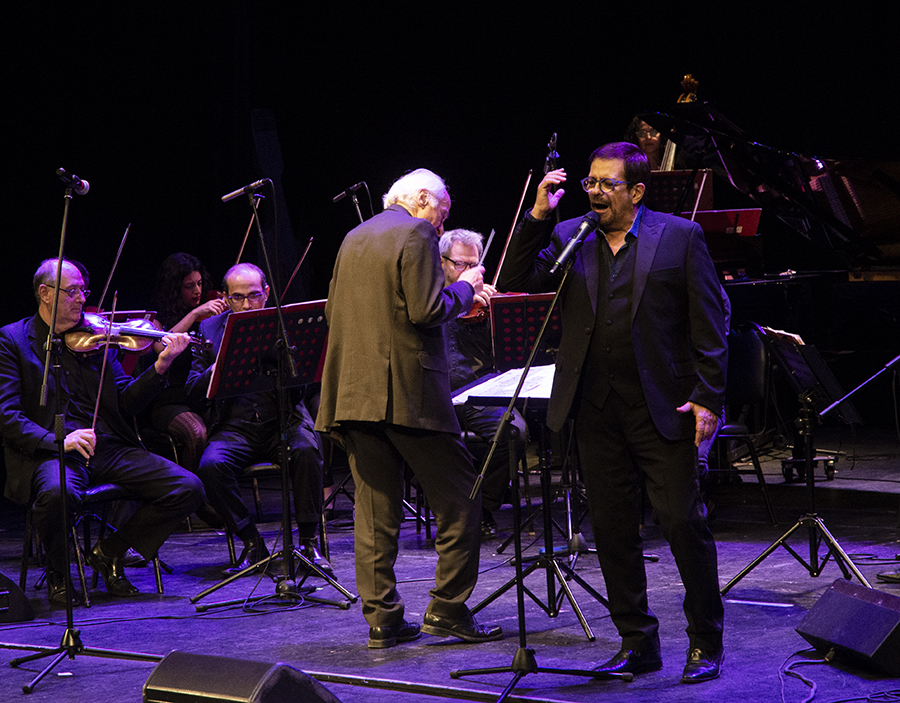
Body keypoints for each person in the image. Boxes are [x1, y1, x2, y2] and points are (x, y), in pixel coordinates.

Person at [498, 142, 728, 684]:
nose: (595, 192)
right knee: (613, 527)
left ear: (636, 190)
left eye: (607, 183)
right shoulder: (569, 235)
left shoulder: (679, 236)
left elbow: (711, 323)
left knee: (680, 522)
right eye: (590, 183)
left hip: (662, 406)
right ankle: (637, 642)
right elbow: (515, 277)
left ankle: (706, 643)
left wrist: (708, 398)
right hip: (595, 408)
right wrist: (537, 214)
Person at [316, 168, 502, 649]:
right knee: (462, 497)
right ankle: (446, 609)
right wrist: (467, 289)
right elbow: (425, 310)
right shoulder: (416, 230)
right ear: (421, 199)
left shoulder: (353, 237)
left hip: (352, 393)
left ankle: (382, 620)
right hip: (406, 392)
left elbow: (335, 312)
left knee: (374, 512)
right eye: (443, 211)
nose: (442, 222)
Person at [0, 259, 204, 606]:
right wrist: (58, 441)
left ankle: (109, 551)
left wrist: (160, 366)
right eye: (73, 291)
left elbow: (126, 401)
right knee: (55, 493)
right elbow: (8, 414)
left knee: (188, 487)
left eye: (84, 291)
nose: (81, 300)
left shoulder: (97, 338)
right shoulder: (14, 340)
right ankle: (60, 576)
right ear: (45, 294)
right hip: (56, 450)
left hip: (107, 447)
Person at [186, 262, 331, 577]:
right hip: (235, 428)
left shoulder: (287, 323)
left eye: (254, 295)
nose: (247, 304)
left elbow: (308, 384)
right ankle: (252, 543)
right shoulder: (210, 330)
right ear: (226, 298)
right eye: (238, 298)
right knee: (211, 466)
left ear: (266, 293)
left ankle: (309, 542)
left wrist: (292, 365)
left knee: (307, 449)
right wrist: (216, 370)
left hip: (284, 420)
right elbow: (192, 390)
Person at [439, 228, 526, 538]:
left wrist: (494, 314)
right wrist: (461, 297)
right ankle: (461, 506)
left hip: (481, 394)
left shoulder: (484, 298)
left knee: (514, 430)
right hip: (439, 396)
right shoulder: (432, 296)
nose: (469, 272)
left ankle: (482, 505)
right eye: (461, 264)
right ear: (442, 263)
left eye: (474, 265)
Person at [148, 253, 228, 473]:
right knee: (196, 432)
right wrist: (194, 315)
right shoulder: (156, 318)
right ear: (174, 289)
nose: (198, 291)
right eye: (189, 286)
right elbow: (160, 346)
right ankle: (195, 497)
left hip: (202, 395)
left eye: (200, 283)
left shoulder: (210, 314)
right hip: (170, 401)